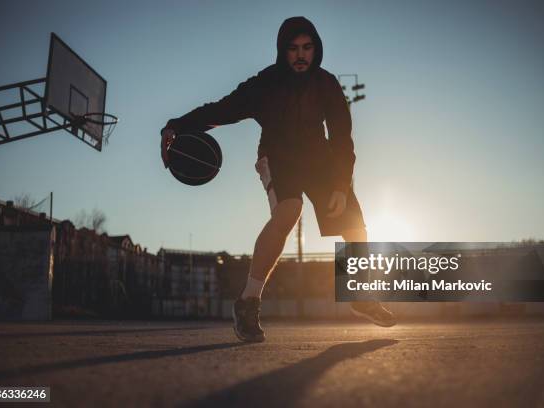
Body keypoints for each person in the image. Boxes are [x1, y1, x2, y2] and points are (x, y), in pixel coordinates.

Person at [161, 16, 396, 342]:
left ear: (316, 50)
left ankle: (360, 295)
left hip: (319, 160)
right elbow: (222, 110)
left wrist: (342, 184)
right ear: (282, 51)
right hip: (277, 157)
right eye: (293, 49)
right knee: (289, 210)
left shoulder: (326, 84)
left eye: (307, 48)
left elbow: (342, 136)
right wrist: (177, 124)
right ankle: (248, 300)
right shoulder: (265, 84)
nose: (300, 55)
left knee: (355, 224)